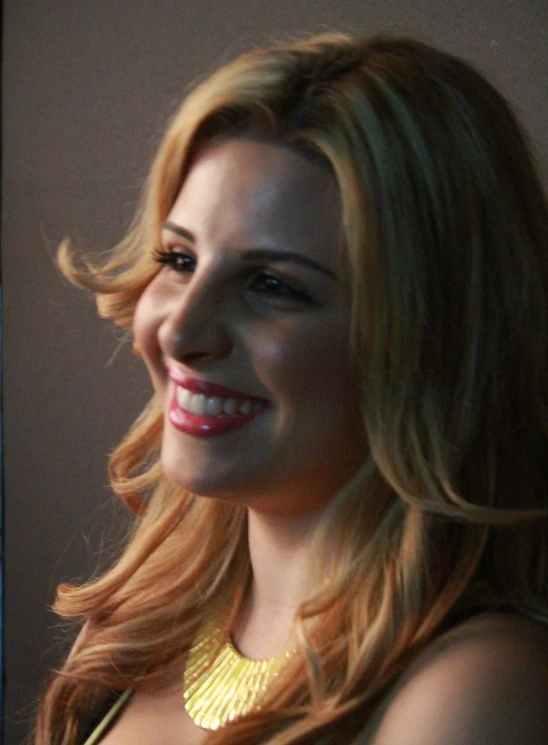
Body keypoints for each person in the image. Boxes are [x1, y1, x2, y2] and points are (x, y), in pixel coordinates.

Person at [35, 33, 548, 745]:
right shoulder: (142, 624)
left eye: (271, 285)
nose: (182, 332)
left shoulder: (475, 687)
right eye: (179, 258)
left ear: (429, 335)